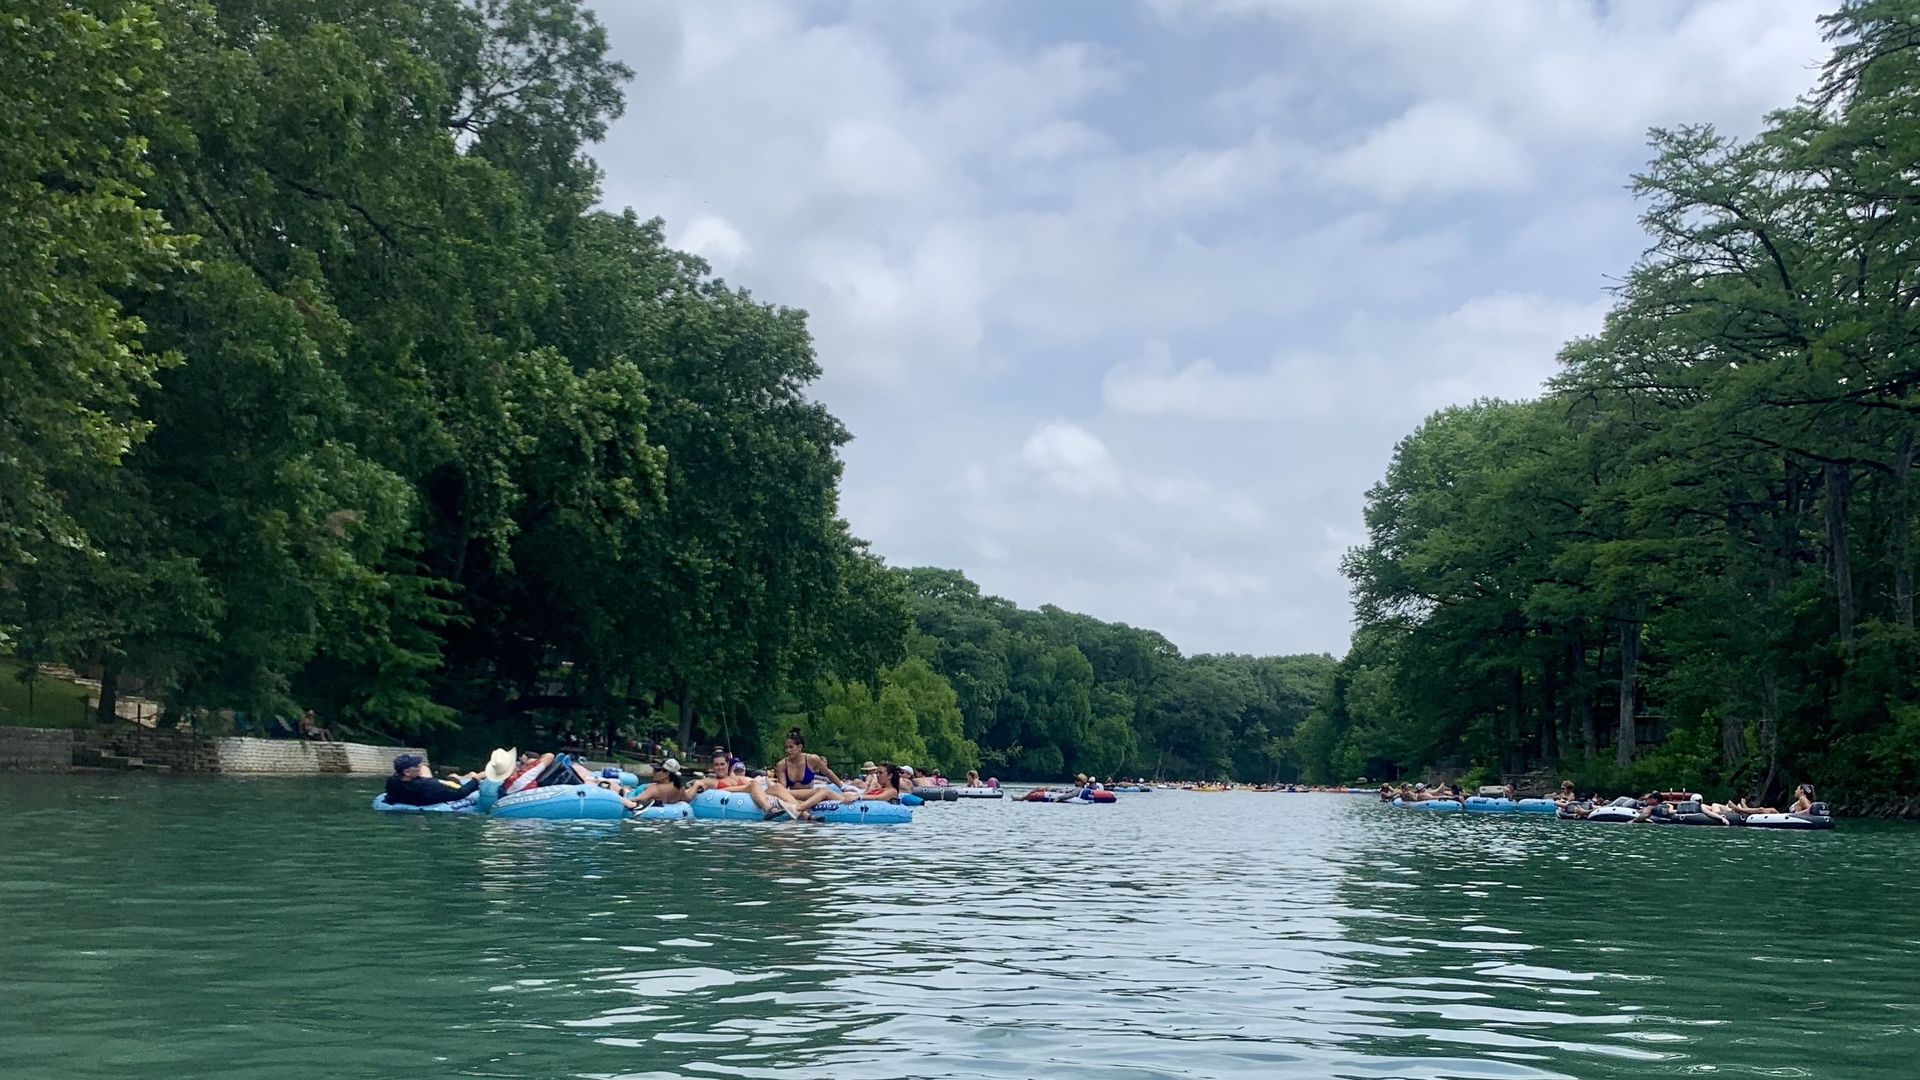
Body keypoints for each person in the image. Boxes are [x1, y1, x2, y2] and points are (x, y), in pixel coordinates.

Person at [767, 727, 845, 805]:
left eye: (791, 747)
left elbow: (828, 773)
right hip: (793, 797)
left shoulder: (812, 759)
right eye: (786, 747)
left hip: (810, 795)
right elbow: (783, 790)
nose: (788, 750)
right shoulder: (782, 765)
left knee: (824, 791)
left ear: (800, 747)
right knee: (783, 791)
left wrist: (843, 787)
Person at [385, 753, 478, 807]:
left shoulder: (392, 782)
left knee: (451, 777)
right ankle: (467, 776)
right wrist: (475, 781)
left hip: (440, 781)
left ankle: (458, 776)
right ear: (406, 772)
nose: (419, 766)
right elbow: (461, 792)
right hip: (451, 783)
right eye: (417, 766)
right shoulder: (428, 786)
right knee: (472, 775)